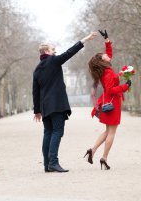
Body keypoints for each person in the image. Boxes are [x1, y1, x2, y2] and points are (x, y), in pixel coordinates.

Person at [33, 31, 98, 173]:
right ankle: (53, 163)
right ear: (46, 51)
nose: (55, 51)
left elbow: (35, 91)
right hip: (56, 104)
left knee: (48, 132)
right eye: (52, 49)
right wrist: (85, 39)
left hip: (45, 107)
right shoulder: (53, 60)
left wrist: (37, 110)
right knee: (57, 131)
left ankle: (47, 164)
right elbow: (70, 52)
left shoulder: (37, 69)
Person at [84, 30, 131, 170]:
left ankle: (92, 151)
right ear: (101, 61)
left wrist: (107, 39)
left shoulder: (105, 69)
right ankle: (103, 158)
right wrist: (125, 86)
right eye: (104, 55)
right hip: (112, 103)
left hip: (107, 102)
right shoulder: (108, 73)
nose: (107, 55)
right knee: (111, 132)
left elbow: (109, 53)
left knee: (107, 131)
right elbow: (110, 90)